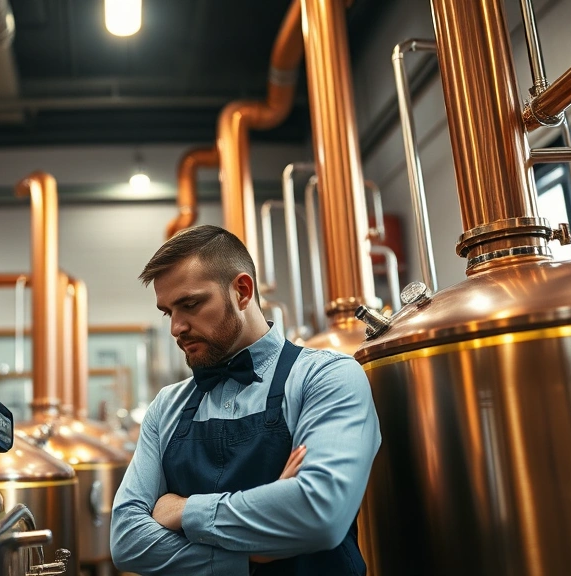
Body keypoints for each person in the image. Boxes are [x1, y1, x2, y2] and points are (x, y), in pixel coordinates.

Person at [110, 225, 381, 576]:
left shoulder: (325, 377)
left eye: (190, 304)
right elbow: (128, 541)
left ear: (241, 290)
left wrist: (183, 510)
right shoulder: (167, 406)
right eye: (168, 312)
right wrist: (249, 555)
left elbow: (319, 512)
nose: (176, 327)